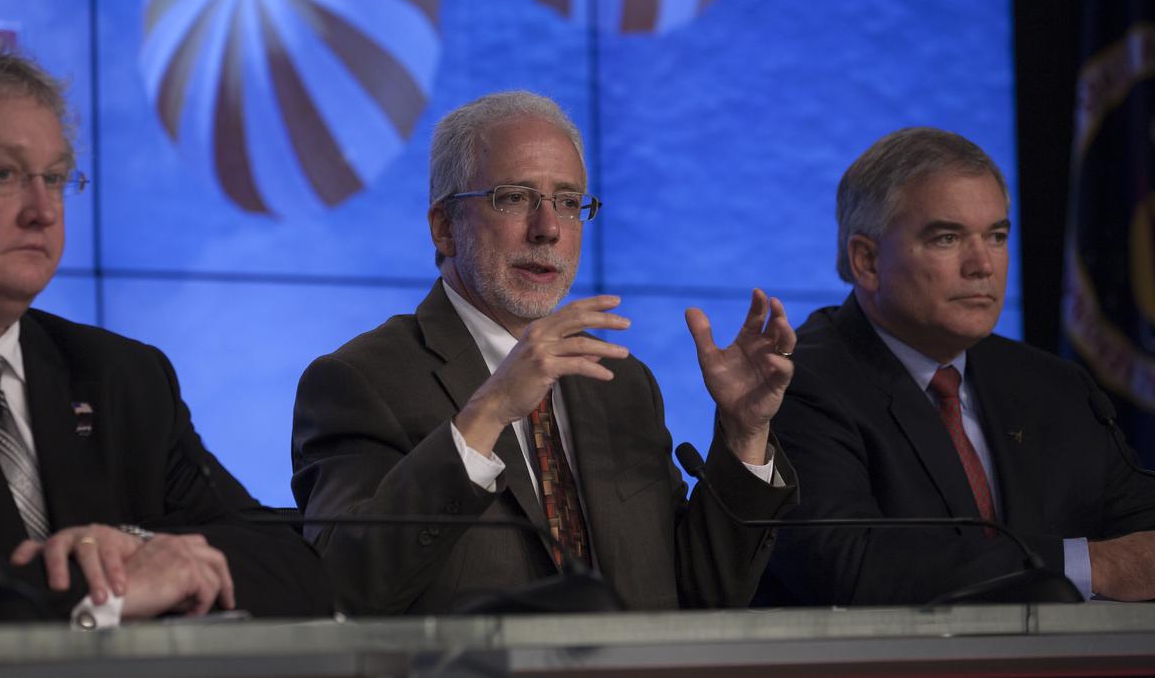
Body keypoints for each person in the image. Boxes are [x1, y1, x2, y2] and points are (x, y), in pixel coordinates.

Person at [292, 90, 797, 614]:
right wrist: (488, 412)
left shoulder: (620, 385)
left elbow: (703, 595)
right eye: (513, 197)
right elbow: (342, 591)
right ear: (444, 227)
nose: (548, 228)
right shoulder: (360, 380)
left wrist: (744, 432)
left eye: (568, 201)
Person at [0, 47, 331, 625]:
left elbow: (292, 567)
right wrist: (104, 592)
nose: (43, 211)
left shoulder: (120, 377)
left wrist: (138, 546)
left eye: (58, 178)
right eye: (2, 175)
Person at [759, 127, 1155, 606]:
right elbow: (849, 562)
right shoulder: (798, 385)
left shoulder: (1054, 385)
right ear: (867, 261)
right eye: (947, 238)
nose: (983, 265)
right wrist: (1093, 566)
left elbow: (1144, 534)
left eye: (997, 236)